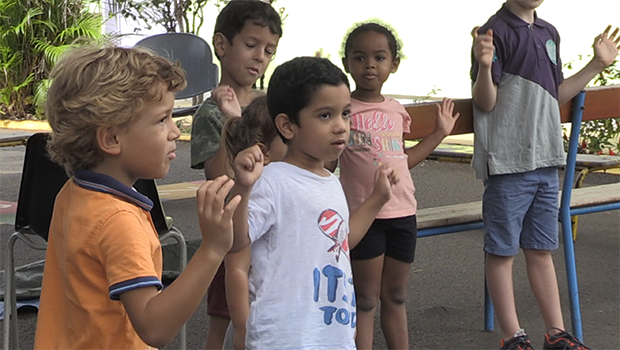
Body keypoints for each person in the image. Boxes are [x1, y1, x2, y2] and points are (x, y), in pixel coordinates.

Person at [33, 45, 241, 349]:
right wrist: (212, 248)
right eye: (162, 119)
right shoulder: (118, 221)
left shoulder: (74, 192)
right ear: (111, 138)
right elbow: (154, 328)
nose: (174, 132)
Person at [471, 1, 620, 349]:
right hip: (508, 162)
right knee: (502, 251)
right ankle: (513, 338)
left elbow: (554, 95)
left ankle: (556, 334)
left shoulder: (548, 32)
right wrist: (483, 66)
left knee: (540, 249)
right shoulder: (493, 31)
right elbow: (485, 102)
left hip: (545, 160)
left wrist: (597, 64)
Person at [229, 56, 398, 350]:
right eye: (325, 116)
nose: (340, 126)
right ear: (287, 125)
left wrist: (377, 198)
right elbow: (235, 239)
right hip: (284, 338)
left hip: (330, 334)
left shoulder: (330, 181)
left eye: (345, 113)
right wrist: (243, 188)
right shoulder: (273, 180)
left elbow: (340, 241)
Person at [337, 21, 461, 350]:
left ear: (393, 64)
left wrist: (439, 133)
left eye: (379, 57)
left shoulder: (396, 110)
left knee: (396, 295)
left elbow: (403, 159)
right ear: (347, 62)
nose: (370, 65)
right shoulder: (343, 111)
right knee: (365, 300)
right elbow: (328, 160)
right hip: (365, 217)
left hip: (403, 213)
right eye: (360, 57)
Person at [188, 1, 282, 348]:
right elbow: (221, 176)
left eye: (269, 50)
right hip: (231, 234)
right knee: (225, 320)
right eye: (251, 44)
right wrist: (235, 119)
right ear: (222, 45)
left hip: (272, 229)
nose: (260, 56)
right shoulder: (212, 113)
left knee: (266, 316)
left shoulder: (273, 105)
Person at [220, 95, 287, 350]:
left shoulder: (290, 182)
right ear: (264, 151)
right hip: (257, 328)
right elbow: (236, 266)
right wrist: (242, 328)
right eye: (287, 134)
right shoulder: (261, 188)